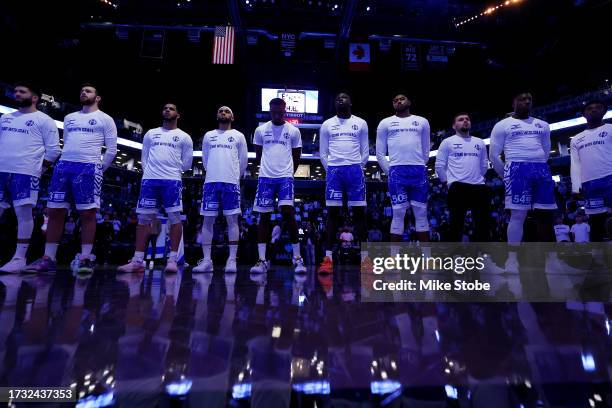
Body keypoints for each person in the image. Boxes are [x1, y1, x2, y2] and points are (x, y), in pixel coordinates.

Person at [25, 83, 117, 274]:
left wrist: (99, 168)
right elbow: (66, 143)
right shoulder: (69, 118)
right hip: (64, 166)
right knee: (55, 212)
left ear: (97, 98)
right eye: (82, 90)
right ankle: (48, 258)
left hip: (89, 168)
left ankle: (85, 258)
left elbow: (112, 150)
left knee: (88, 214)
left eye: (89, 90)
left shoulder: (105, 119)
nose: (84, 92)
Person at [117, 103, 193, 273]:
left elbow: (187, 164)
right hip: (150, 181)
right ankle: (137, 261)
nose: (167, 110)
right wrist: (150, 173)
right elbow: (144, 158)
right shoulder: (151, 133)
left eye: (172, 108)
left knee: (175, 218)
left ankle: (172, 260)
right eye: (165, 108)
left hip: (172, 181)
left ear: (178, 115)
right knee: (144, 220)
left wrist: (171, 169)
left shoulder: (184, 137)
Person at [0, 82, 61, 272]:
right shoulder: (5, 118)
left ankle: (19, 258)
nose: (16, 94)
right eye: (16, 91)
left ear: (34, 97)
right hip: (1, 171)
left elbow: (53, 151)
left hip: (26, 173)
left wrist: (38, 170)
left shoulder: (45, 120)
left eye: (22, 91)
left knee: (23, 214)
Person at [489, 92, 556, 243]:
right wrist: (505, 175)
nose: (526, 101)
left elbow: (546, 152)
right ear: (513, 103)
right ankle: (512, 261)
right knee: (518, 216)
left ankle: (552, 261)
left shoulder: (543, 125)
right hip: (516, 169)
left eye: (529, 99)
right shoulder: (502, 125)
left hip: (541, 170)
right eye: (522, 99)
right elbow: (493, 155)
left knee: (546, 216)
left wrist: (539, 166)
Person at [250, 98, 306, 274]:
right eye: (273, 111)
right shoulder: (260, 130)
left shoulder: (293, 131)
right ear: (269, 110)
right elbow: (259, 157)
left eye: (280, 112)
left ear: (285, 110)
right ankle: (261, 260)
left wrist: (288, 173)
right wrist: (268, 170)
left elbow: (297, 157)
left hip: (285, 178)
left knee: (288, 215)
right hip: (265, 178)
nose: (276, 114)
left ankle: (297, 258)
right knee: (264, 218)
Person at [318, 93, 370, 273]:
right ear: (334, 103)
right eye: (337, 98)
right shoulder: (327, 124)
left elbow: (365, 152)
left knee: (359, 214)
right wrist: (332, 168)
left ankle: (366, 259)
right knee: (332, 214)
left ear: (351, 102)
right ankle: (328, 259)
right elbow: (323, 153)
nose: (341, 99)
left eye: (345, 97)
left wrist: (357, 167)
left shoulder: (361, 123)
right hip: (334, 171)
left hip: (355, 171)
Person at [193, 106, 247, 273]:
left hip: (231, 183)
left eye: (227, 111)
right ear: (217, 115)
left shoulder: (239, 136)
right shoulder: (209, 136)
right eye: (220, 111)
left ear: (232, 117)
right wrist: (215, 174)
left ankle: (232, 260)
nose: (223, 112)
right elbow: (205, 160)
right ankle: (207, 260)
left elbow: (243, 161)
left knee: (232, 221)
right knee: (207, 221)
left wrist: (233, 177)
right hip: (211, 183)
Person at [376, 94, 431, 243]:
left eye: (402, 98)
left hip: (418, 171)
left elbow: (426, 151)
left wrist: (418, 164)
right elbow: (380, 153)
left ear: (410, 102)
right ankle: (394, 260)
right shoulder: (385, 123)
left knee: (421, 213)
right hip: (396, 172)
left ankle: (427, 259)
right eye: (395, 100)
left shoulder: (422, 121)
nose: (398, 101)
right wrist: (392, 172)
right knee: (398, 213)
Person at [435, 113, 490, 241]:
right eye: (461, 119)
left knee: (483, 224)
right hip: (457, 187)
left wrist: (477, 179)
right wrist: (448, 183)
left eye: (467, 119)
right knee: (456, 224)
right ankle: (455, 255)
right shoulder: (447, 142)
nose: (465, 121)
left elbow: (484, 165)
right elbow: (439, 166)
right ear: (454, 126)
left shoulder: (479, 142)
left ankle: (485, 255)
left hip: (479, 186)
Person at [569, 100, 612, 242]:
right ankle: (598, 258)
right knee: (596, 221)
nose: (593, 110)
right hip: (589, 184)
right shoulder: (576, 139)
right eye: (589, 108)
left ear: (604, 111)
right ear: (583, 114)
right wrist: (576, 187)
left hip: (610, 178)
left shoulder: (611, 128)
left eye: (598, 107)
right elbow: (575, 163)